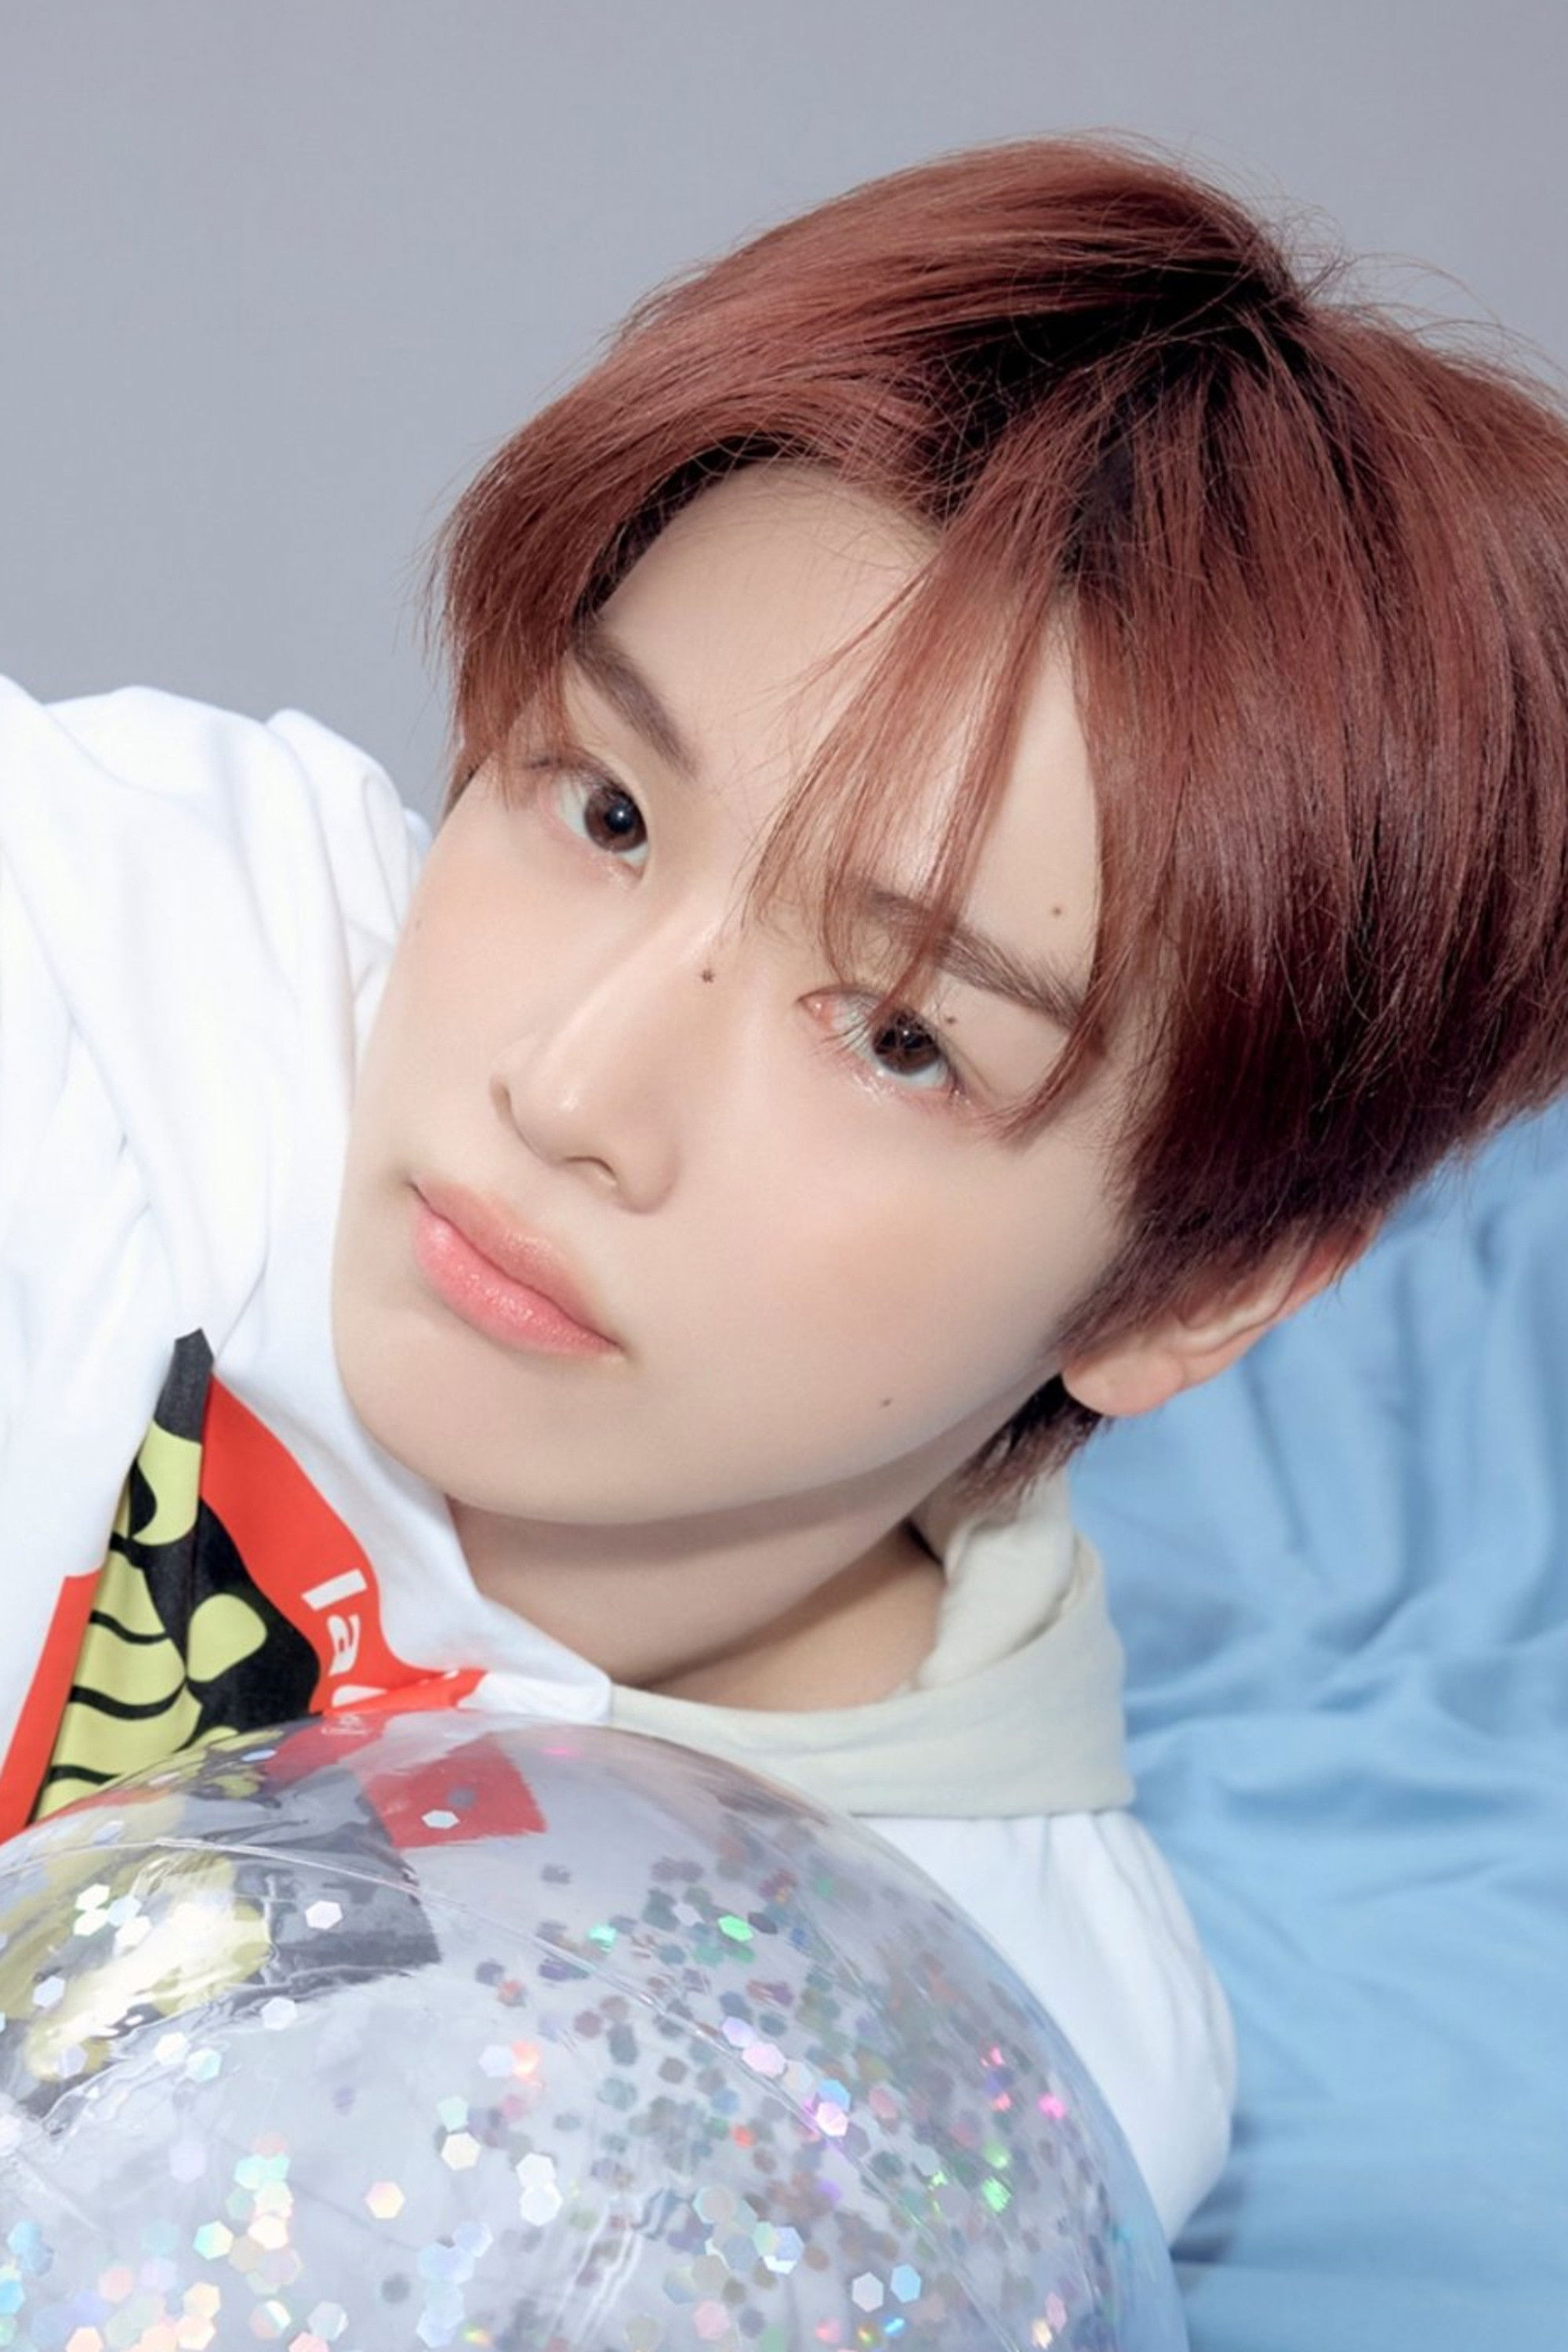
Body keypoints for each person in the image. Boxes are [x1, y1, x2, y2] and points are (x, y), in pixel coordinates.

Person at [3, 134, 1567, 2249]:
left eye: (901, 1034)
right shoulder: (100, 982)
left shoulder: (989, 2052)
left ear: (1198, 1296)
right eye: (607, 811)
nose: (570, 1086)